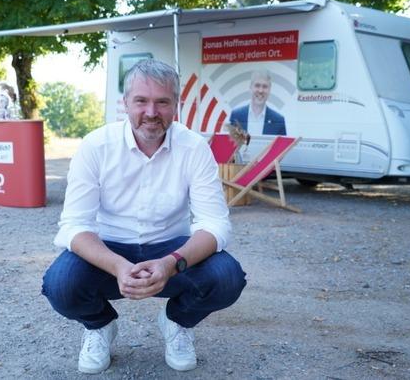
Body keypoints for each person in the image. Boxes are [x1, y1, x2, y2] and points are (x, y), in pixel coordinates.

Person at [41, 59, 247, 374]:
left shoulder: (194, 148)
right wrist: (118, 266)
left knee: (227, 277)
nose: (151, 112)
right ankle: (99, 325)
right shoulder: (95, 146)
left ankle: (177, 321)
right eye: (141, 101)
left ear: (176, 105)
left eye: (162, 102)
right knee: (60, 284)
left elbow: (215, 224)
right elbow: (75, 226)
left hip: (171, 248)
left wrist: (170, 263)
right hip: (110, 248)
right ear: (125, 103)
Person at [229, 69, 286, 135]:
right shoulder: (236, 116)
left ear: (269, 90)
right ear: (250, 88)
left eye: (265, 86)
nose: (260, 91)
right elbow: (230, 141)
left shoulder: (279, 120)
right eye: (257, 85)